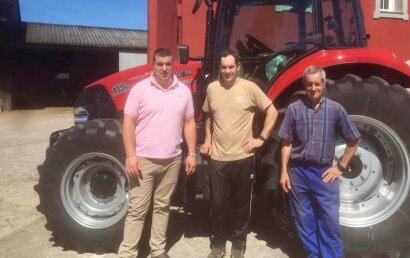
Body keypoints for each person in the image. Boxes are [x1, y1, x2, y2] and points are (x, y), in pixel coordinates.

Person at [118, 48, 197, 258]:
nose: (164, 68)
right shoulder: (140, 89)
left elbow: (189, 123)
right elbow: (128, 122)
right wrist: (130, 155)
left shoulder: (183, 91)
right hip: (143, 160)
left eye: (168, 64)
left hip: (172, 160)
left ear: (173, 65)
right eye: (160, 64)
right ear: (153, 64)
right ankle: (127, 253)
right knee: (138, 210)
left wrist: (191, 153)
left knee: (163, 207)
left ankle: (158, 250)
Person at [200, 49, 278, 258]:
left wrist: (260, 139)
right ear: (220, 68)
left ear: (237, 67)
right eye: (223, 67)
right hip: (218, 157)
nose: (227, 71)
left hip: (243, 157)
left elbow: (272, 111)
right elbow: (209, 116)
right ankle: (218, 244)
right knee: (217, 203)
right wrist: (207, 140)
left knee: (241, 204)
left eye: (231, 67)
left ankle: (238, 244)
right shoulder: (212, 89)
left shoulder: (249, 88)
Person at [278, 65, 361, 257]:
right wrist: (283, 172)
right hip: (298, 172)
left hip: (324, 173)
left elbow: (354, 139)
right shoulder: (294, 109)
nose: (313, 88)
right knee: (304, 221)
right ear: (304, 85)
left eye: (317, 84)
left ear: (323, 85)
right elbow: (286, 142)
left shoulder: (335, 110)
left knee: (329, 221)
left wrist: (340, 166)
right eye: (309, 84)